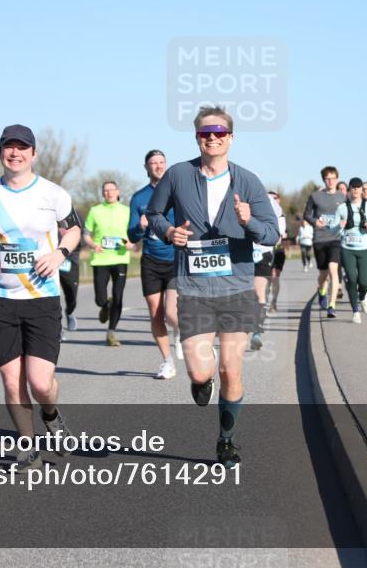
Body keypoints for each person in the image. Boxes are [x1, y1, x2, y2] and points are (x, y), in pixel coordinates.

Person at [147, 105, 279, 469]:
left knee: (230, 371)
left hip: (236, 287)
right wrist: (169, 231)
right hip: (193, 289)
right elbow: (154, 216)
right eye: (206, 133)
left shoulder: (248, 181)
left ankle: (226, 441)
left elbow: (272, 233)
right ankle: (199, 383)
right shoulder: (177, 175)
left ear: (231, 138)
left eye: (220, 132)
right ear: (197, 138)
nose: (213, 138)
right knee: (201, 372)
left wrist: (250, 222)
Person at [0, 124, 80, 471]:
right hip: (1, 300)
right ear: (1, 152)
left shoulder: (53, 194)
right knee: (12, 380)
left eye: (22, 148)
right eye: (8, 147)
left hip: (42, 299)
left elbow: (75, 229)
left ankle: (52, 414)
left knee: (40, 382)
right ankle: (27, 446)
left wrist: (60, 253)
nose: (14, 153)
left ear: (33, 153)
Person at [128, 149, 180, 380]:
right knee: (156, 313)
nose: (158, 166)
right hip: (150, 259)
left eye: (161, 162)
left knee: (171, 313)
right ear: (146, 167)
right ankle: (167, 361)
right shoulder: (139, 198)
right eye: (153, 163)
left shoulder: (177, 194)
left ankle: (181, 331)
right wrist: (139, 226)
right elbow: (131, 236)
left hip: (176, 258)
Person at [84, 181, 136, 347]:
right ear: (102, 193)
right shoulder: (95, 211)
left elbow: (135, 235)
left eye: (111, 190)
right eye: (105, 190)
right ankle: (105, 305)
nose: (109, 193)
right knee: (99, 298)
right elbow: (86, 234)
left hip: (120, 258)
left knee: (118, 297)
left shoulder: (127, 211)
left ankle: (111, 332)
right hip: (100, 259)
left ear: (117, 191)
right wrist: (93, 245)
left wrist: (132, 244)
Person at [336, 178, 367, 324]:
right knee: (351, 279)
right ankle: (355, 311)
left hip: (364, 248)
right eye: (353, 187)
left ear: (362, 190)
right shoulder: (342, 208)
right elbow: (333, 228)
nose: (355, 190)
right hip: (347, 248)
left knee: (363, 281)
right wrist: (339, 226)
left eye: (358, 187)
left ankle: (363, 297)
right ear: (349, 190)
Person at [303, 166, 343, 318]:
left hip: (336, 238)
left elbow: (347, 215)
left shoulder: (342, 197)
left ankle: (332, 305)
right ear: (323, 180)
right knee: (323, 274)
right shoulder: (315, 196)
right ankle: (321, 291)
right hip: (320, 238)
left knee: (334, 269)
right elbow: (307, 214)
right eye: (327, 178)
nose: (330, 181)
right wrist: (315, 222)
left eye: (333, 178)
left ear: (337, 179)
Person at [249, 190, 286, 349]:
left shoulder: (270, 203)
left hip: (261, 252)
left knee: (260, 293)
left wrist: (272, 238)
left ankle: (257, 332)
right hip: (238, 253)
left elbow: (280, 226)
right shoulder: (231, 199)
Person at [57, 208, 83, 331]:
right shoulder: (44, 212)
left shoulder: (74, 214)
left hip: (69, 260)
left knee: (71, 294)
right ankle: (56, 325)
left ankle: (70, 312)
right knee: (51, 294)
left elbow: (80, 237)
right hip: (50, 259)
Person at [266, 192, 288, 315]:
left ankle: (273, 301)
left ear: (278, 200)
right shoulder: (262, 213)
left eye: (275, 198)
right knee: (266, 278)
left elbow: (286, 234)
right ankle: (265, 301)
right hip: (265, 250)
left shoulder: (281, 215)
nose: (272, 200)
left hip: (278, 250)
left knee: (275, 276)